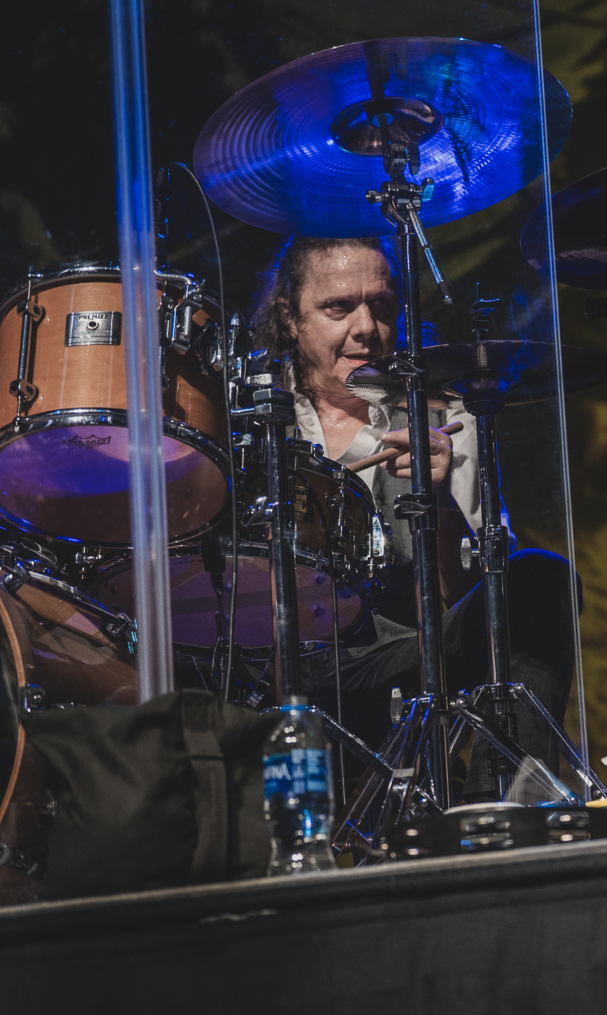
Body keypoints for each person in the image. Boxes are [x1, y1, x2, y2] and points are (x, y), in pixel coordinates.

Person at [246, 236, 579, 781]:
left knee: (540, 581)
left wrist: (441, 502)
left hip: (389, 655)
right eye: (338, 308)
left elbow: (464, 602)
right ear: (290, 317)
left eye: (381, 305)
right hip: (264, 660)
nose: (365, 328)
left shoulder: (446, 414)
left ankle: (498, 808)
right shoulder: (248, 412)